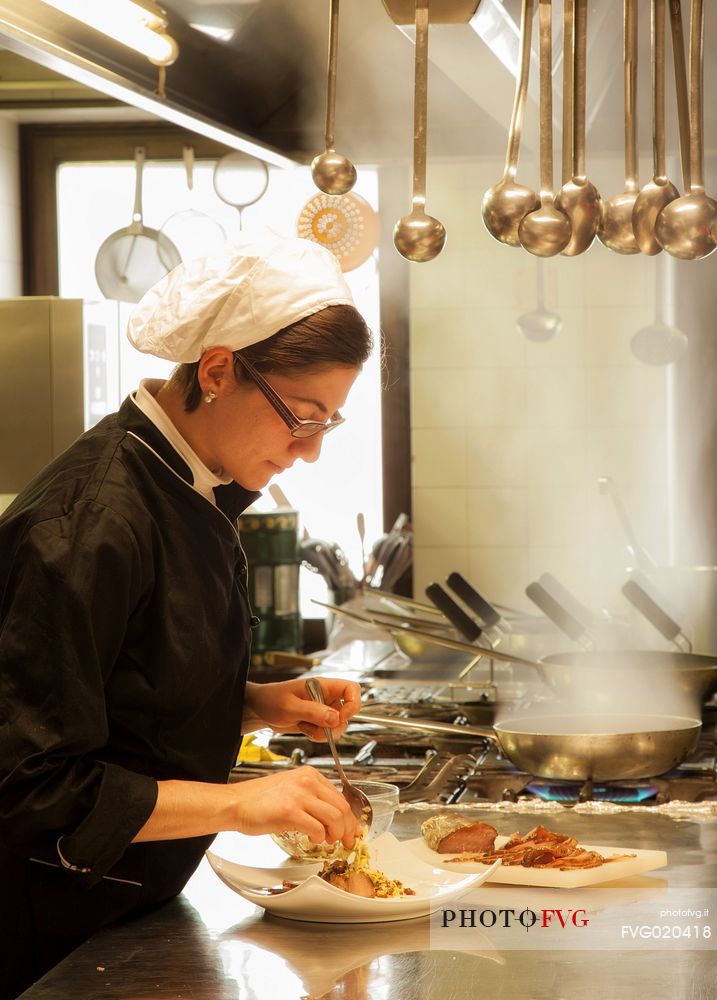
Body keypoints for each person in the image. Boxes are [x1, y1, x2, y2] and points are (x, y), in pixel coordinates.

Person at [0, 234, 373, 998]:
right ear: (217, 370)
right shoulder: (90, 521)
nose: (308, 453)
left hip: (126, 911)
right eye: (300, 416)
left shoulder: (189, 485)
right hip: (45, 939)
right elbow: (30, 788)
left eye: (326, 424)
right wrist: (240, 803)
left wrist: (250, 708)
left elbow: (121, 696)